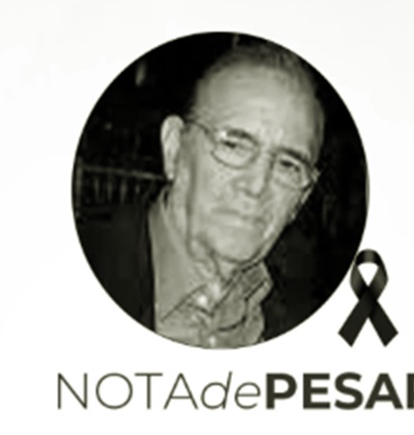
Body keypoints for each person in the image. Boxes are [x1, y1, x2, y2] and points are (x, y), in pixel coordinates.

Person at [78, 40, 326, 348]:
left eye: (288, 164)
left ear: (302, 198)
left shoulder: (317, 330)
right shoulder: (65, 271)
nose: (256, 185)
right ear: (175, 149)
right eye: (233, 145)